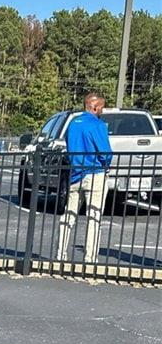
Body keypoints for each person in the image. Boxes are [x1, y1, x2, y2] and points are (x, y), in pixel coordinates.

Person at [57, 93, 112, 263]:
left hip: (75, 173)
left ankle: (60, 254)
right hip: (94, 172)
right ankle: (90, 258)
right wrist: (105, 165)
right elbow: (105, 152)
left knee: (69, 214)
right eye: (102, 107)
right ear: (95, 107)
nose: (102, 110)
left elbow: (68, 145)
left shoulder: (73, 124)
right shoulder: (98, 125)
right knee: (93, 216)